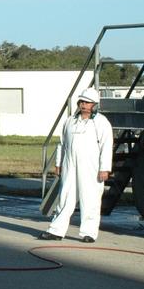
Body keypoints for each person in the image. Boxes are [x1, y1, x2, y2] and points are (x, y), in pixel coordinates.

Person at [40, 87, 113, 243]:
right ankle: (56, 230)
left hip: (91, 166)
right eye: (82, 102)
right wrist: (59, 164)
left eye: (87, 102)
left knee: (90, 198)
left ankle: (89, 232)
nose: (84, 105)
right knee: (65, 197)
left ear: (94, 105)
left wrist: (105, 168)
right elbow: (62, 144)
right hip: (70, 165)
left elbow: (107, 146)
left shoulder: (101, 123)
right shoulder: (70, 122)